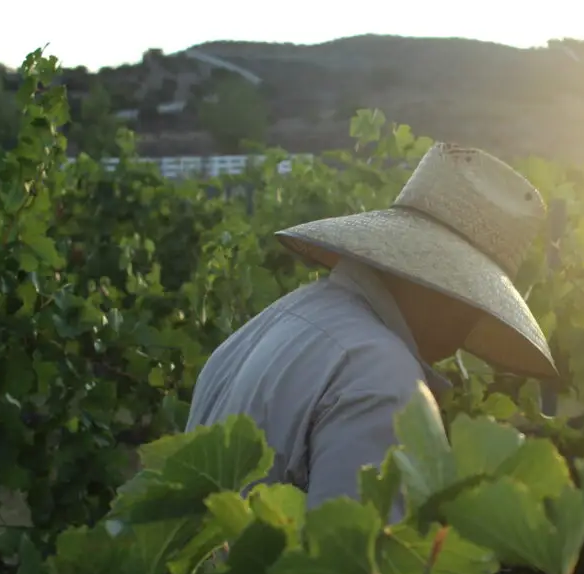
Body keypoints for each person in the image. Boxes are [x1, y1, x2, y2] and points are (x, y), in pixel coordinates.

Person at [185, 141, 557, 519]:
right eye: (476, 300)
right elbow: (355, 567)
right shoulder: (382, 376)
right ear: (442, 286)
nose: (474, 322)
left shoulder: (275, 320)